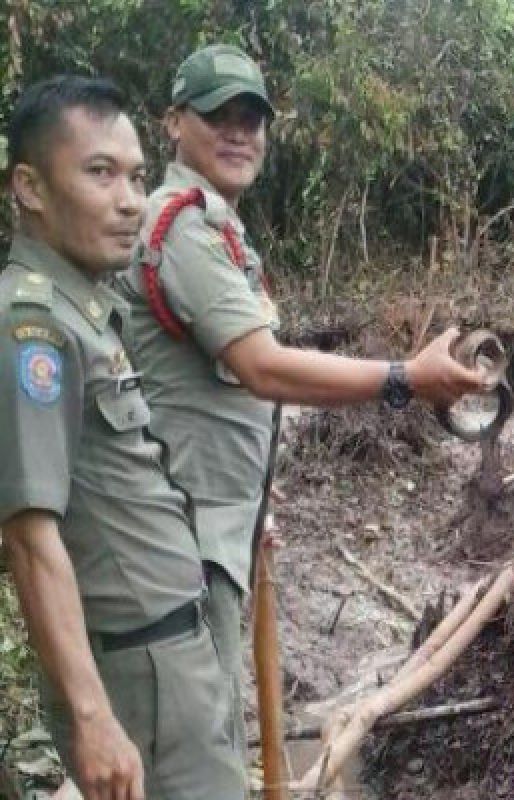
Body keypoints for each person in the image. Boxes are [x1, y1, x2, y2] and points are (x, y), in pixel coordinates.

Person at [111, 43, 486, 755]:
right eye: (218, 114)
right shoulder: (182, 225)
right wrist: (406, 378)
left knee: (205, 724)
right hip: (181, 539)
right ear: (172, 123)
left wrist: (250, 503)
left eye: (251, 118)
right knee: (192, 749)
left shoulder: (218, 228)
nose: (238, 132)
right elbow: (263, 368)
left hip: (213, 528)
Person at [0, 76, 243, 800]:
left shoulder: (86, 313)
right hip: (141, 679)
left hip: (173, 657)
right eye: (99, 173)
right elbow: (29, 536)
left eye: (137, 177)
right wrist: (92, 717)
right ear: (31, 188)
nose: (130, 200)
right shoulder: (31, 330)